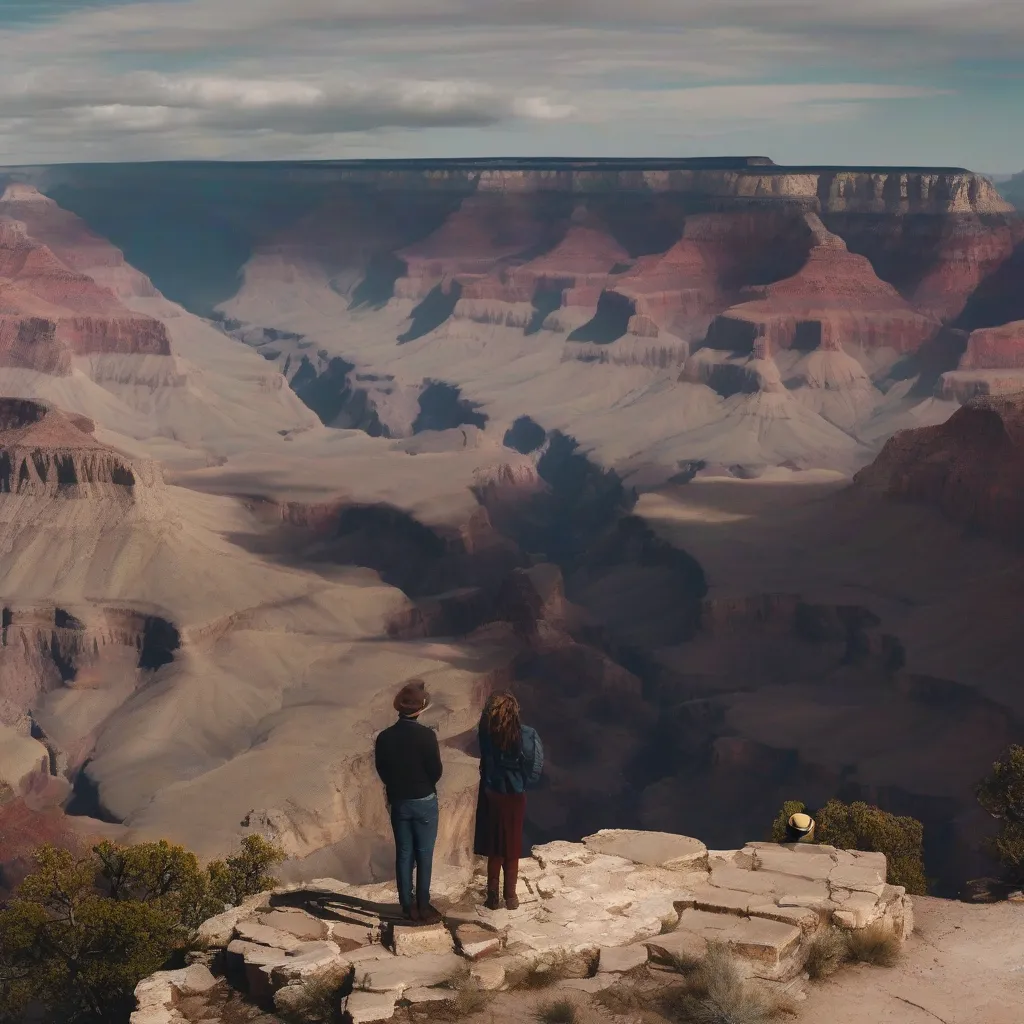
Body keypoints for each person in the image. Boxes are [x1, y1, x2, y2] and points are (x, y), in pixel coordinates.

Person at [374, 679, 442, 923]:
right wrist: (423, 785)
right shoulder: (426, 736)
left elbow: (381, 769)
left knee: (404, 852)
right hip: (424, 800)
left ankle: (407, 904)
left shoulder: (384, 737)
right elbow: (436, 770)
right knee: (424, 853)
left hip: (399, 801)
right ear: (420, 710)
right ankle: (423, 905)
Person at [474, 691, 544, 911]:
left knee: (495, 845)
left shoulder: (486, 735)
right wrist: (522, 781)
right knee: (512, 845)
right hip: (515, 796)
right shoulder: (527, 735)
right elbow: (535, 767)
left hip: (492, 795)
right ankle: (511, 897)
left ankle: (492, 897)